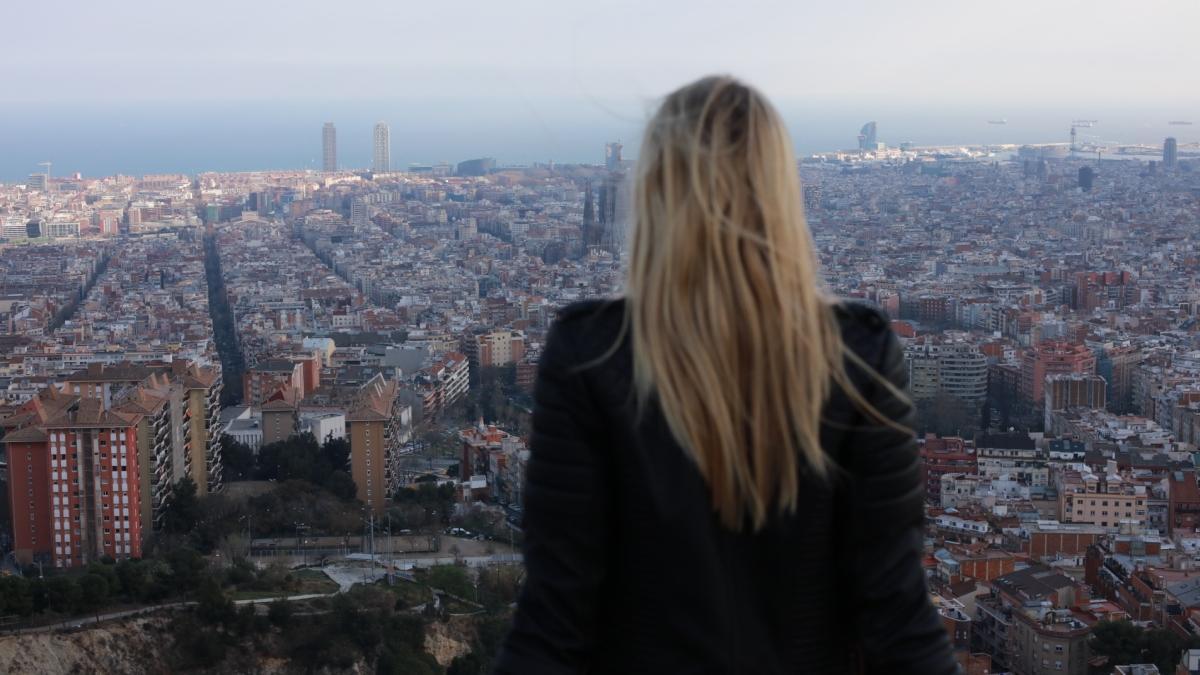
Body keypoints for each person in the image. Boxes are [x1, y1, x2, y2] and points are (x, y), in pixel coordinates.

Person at [494, 76, 956, 674]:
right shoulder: (855, 352)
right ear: (781, 193)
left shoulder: (592, 352)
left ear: (656, 194)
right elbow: (898, 616)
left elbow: (556, 619)